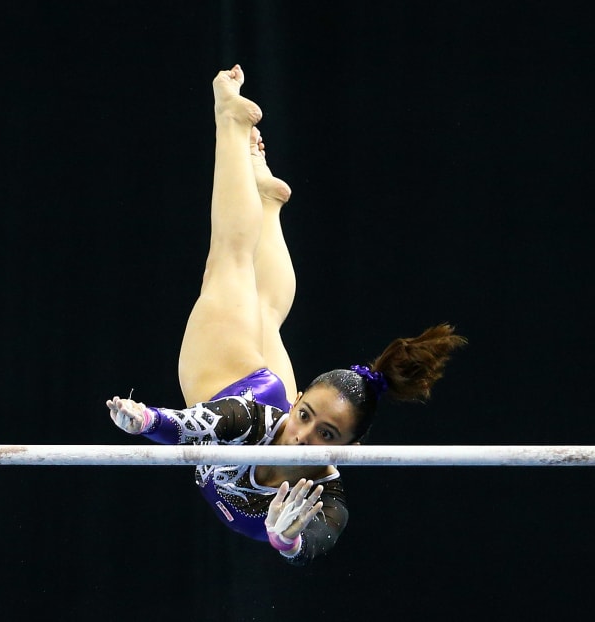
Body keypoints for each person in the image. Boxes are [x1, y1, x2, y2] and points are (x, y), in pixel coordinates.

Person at [106, 65, 466, 565]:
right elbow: (182, 426)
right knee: (228, 262)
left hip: (262, 386)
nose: (300, 435)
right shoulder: (254, 421)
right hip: (231, 388)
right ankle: (229, 120)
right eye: (305, 415)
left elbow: (323, 536)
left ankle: (269, 203)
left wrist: (288, 539)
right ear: (295, 402)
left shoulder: (321, 493)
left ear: (350, 450)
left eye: (326, 435)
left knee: (266, 311)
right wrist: (145, 421)